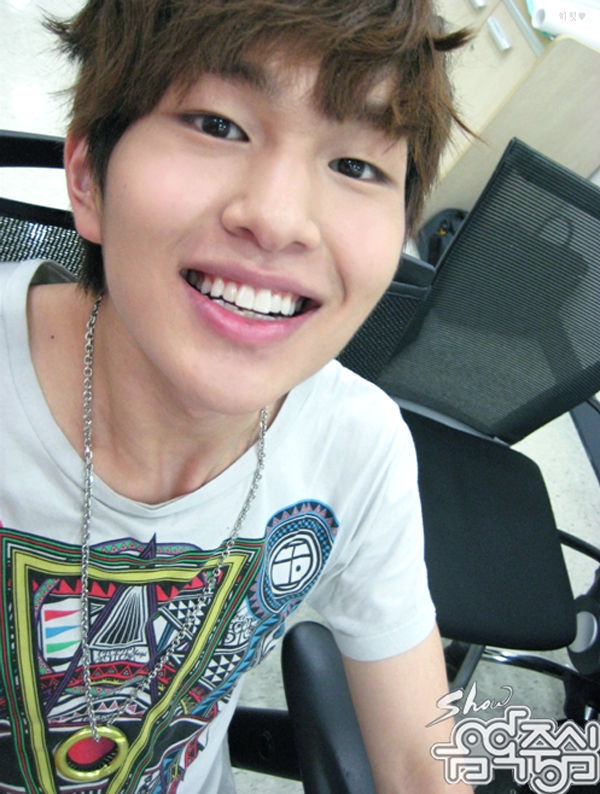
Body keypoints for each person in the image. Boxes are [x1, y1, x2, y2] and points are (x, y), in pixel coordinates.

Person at [0, 1, 473, 791]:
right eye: (218, 125)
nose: (280, 221)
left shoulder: (359, 449)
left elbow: (421, 759)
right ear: (87, 176)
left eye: (356, 166)